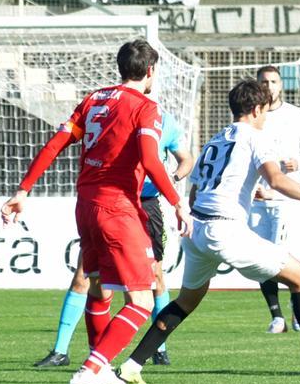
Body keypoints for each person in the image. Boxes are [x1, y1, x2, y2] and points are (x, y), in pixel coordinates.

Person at [115, 79, 300, 384]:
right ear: (257, 109)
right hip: (224, 229)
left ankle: (131, 365)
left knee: (187, 300)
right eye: (265, 111)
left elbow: (196, 192)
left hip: (197, 230)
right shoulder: (255, 137)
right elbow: (277, 180)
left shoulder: (216, 139)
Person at [1, 39, 191, 384]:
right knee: (142, 300)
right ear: (150, 72)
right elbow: (151, 160)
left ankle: (98, 367)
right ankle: (88, 372)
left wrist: (23, 190)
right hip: (117, 208)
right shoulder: (145, 107)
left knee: (100, 290)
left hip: (85, 206)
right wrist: (177, 201)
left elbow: (56, 143)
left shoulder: (94, 99)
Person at [33, 110, 194, 368]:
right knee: (84, 276)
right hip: (113, 203)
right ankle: (62, 351)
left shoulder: (165, 122)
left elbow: (186, 159)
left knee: (155, 278)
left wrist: (170, 180)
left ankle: (159, 348)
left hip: (147, 204)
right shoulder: (114, 118)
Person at [250, 65, 300, 334]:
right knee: (260, 258)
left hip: (286, 198)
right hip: (258, 198)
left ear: (281, 85)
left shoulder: (296, 114)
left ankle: (296, 312)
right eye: (264, 82)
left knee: (285, 256)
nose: (269, 86)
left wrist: (298, 162)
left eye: (273, 81)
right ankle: (276, 316)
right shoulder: (253, 115)